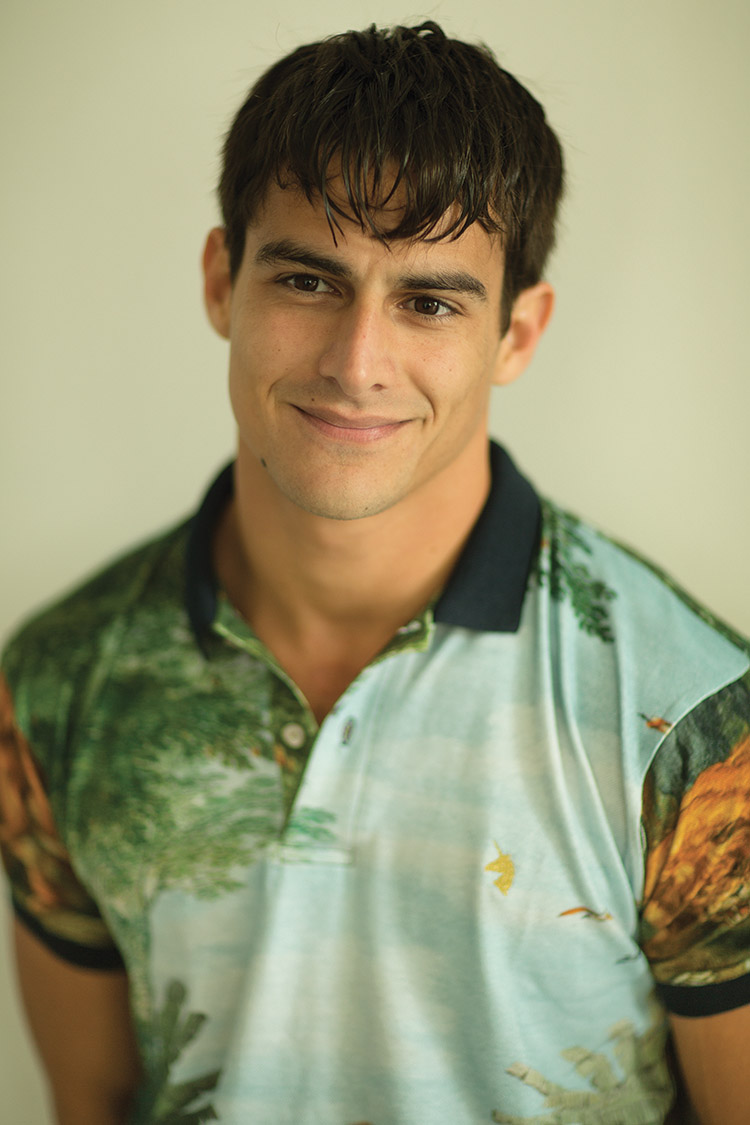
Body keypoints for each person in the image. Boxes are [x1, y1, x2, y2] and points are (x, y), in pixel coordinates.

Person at [1, 20, 748, 1125]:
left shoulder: (696, 720)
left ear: (517, 334)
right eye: (310, 280)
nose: (358, 365)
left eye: (430, 301)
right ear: (221, 280)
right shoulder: (58, 680)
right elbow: (92, 1098)